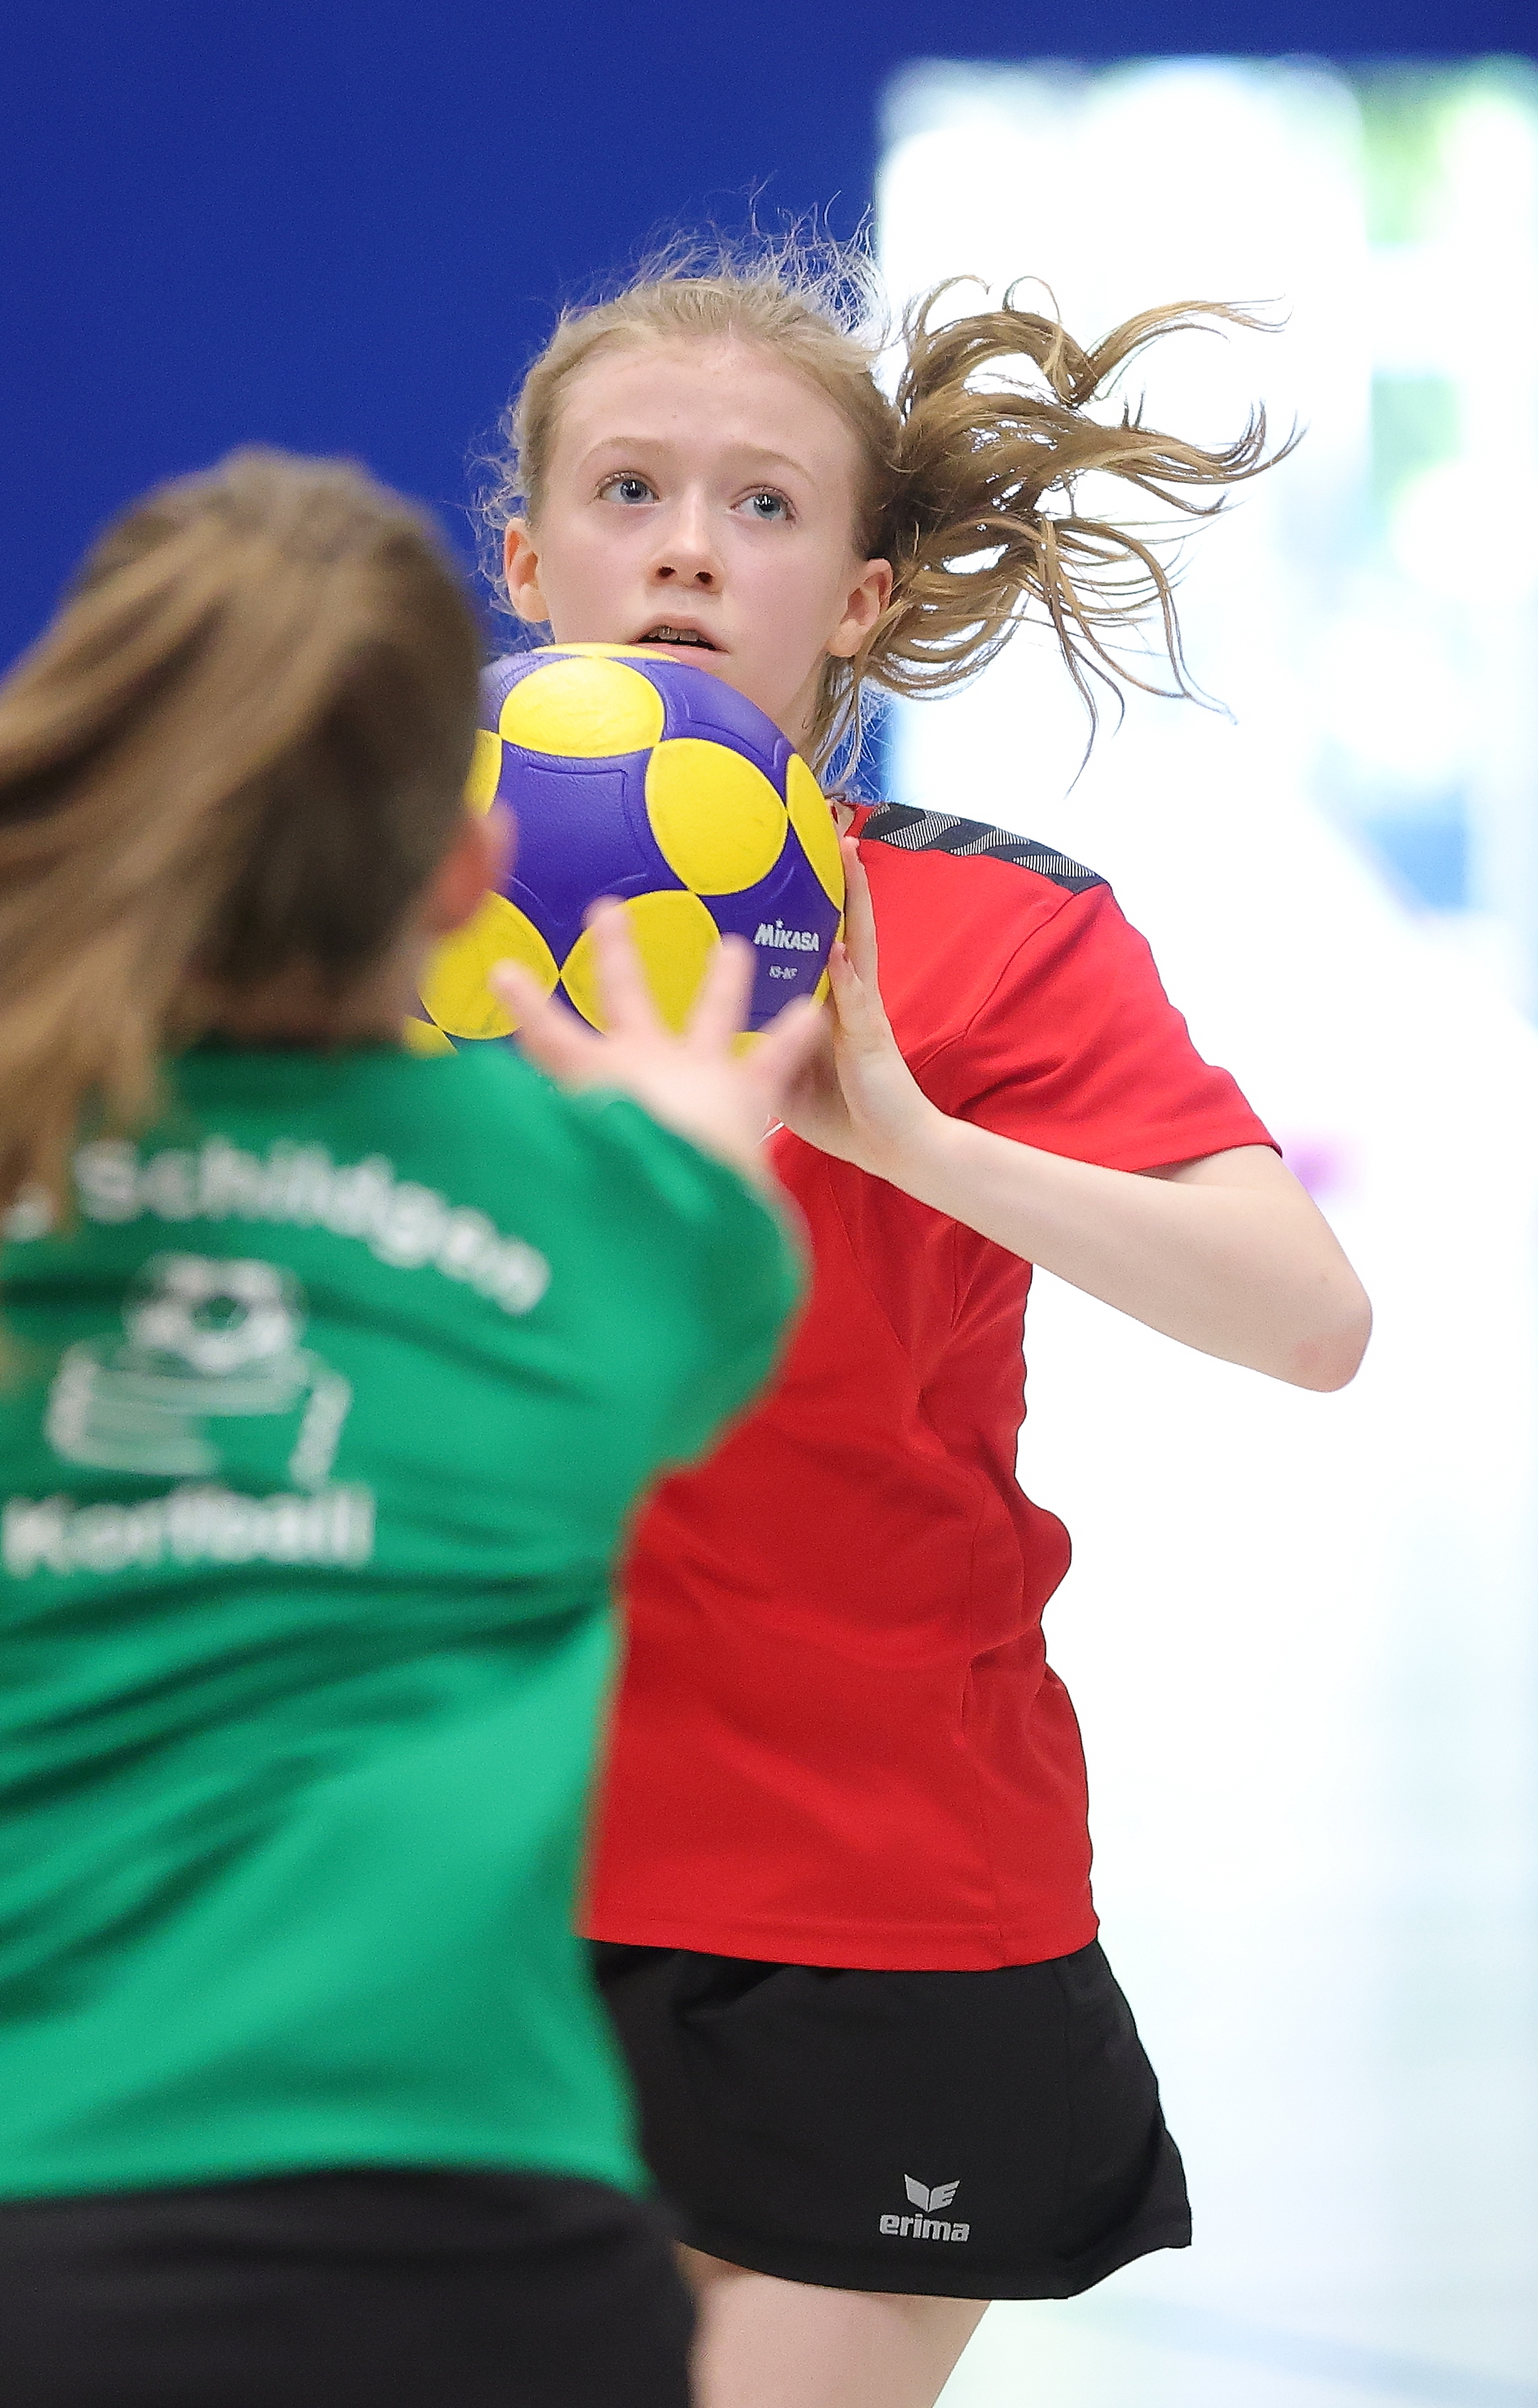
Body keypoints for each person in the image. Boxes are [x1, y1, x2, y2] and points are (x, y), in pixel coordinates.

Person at [0, 447, 826, 2408]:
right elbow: (712, 1238)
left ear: (74, 796)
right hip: (458, 2277)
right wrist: (686, 1130)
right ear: (464, 874)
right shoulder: (619, 1226)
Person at [492, 237, 1374, 2407]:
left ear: (859, 599)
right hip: (458, 1886)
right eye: (628, 491)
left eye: (763, 504)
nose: (687, 548)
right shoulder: (386, 924)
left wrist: (892, 1131)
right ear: (527, 560)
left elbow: (1305, 1317)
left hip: (872, 1899)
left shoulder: (993, 930)